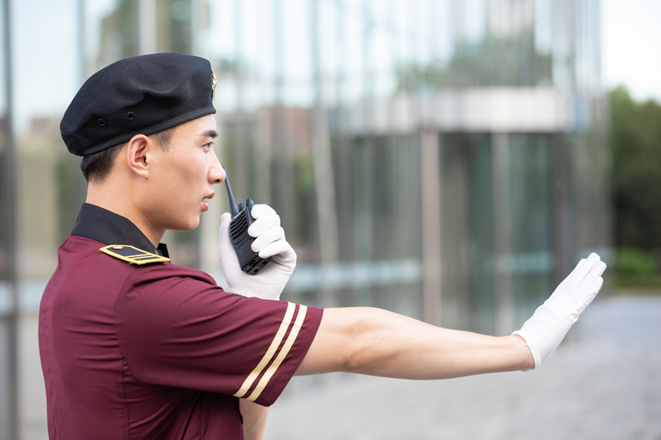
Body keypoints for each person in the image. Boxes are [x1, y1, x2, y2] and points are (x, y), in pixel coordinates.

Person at [39, 53, 606, 440]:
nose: (218, 170)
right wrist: (520, 347)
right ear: (140, 155)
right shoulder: (140, 295)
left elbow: (237, 427)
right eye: (205, 145)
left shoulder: (79, 271)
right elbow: (359, 342)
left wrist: (253, 303)